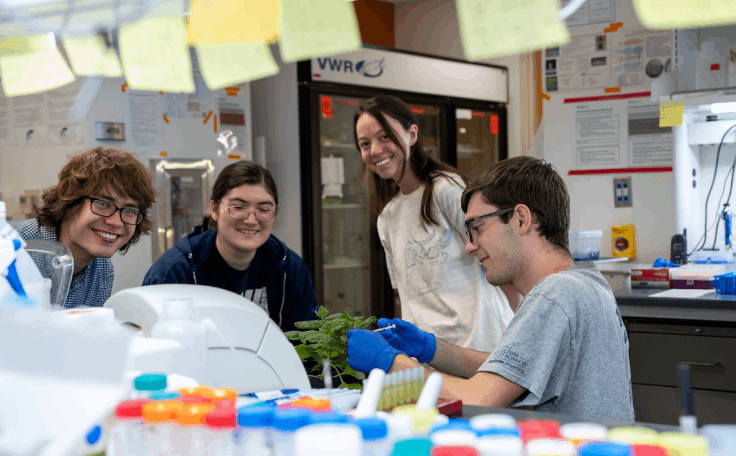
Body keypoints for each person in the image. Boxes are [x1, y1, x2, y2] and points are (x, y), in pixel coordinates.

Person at [346, 156, 634, 422]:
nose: (469, 246)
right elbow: (516, 371)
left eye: (478, 228)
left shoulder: (555, 295)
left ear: (521, 219)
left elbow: (477, 398)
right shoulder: (586, 283)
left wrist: (390, 362)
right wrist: (432, 349)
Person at [353, 95, 519, 353]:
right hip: (431, 356)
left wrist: (518, 331)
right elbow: (408, 296)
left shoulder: (446, 189)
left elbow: (501, 262)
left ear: (411, 134)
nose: (375, 150)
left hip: (483, 348)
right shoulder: (387, 217)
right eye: (365, 143)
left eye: (384, 136)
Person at [142, 161, 317, 332]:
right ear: (214, 209)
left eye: (263, 210)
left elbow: (307, 348)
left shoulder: (289, 268)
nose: (250, 220)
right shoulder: (174, 273)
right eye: (238, 207)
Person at [12, 147, 156, 308]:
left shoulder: (101, 269)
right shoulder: (17, 246)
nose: (116, 222)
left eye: (130, 210)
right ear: (70, 201)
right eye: (103, 203)